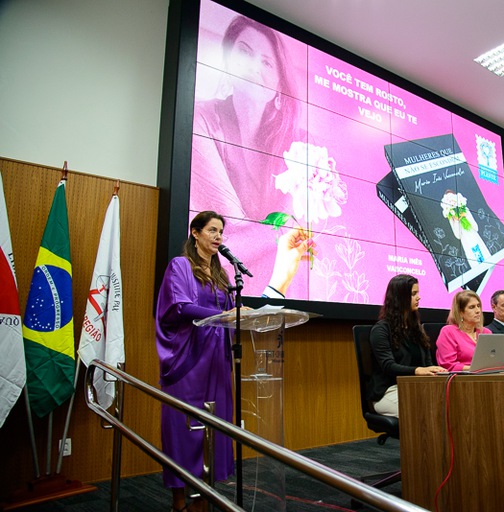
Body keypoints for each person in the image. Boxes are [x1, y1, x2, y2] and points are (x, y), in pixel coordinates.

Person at [191, 15, 324, 299]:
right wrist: (284, 235)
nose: (254, 67)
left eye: (267, 62)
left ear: (279, 81)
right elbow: (226, 237)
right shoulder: (202, 119)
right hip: (220, 288)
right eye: (244, 52)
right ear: (228, 61)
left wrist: (288, 237)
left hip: (284, 291)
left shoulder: (300, 142)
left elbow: (304, 234)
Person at [156, 211, 235, 512]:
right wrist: (221, 316)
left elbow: (231, 308)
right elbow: (181, 306)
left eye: (220, 232)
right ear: (196, 232)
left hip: (216, 361)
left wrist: (247, 312)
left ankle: (203, 501)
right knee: (184, 430)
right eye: (212, 230)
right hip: (189, 360)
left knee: (212, 432)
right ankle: (179, 501)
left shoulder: (221, 273)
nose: (218, 237)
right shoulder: (181, 266)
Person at [368, 275, 445, 417]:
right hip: (388, 391)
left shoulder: (416, 328)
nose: (419, 297)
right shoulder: (381, 330)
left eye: (418, 293)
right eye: (413, 294)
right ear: (400, 298)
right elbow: (388, 366)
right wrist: (417, 370)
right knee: (426, 412)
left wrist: (435, 371)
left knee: (448, 405)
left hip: (416, 387)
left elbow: (427, 362)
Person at [436, 290, 491, 372]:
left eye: (478, 306)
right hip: (462, 380)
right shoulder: (448, 332)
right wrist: (476, 369)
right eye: (472, 307)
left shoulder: (486, 332)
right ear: (460, 312)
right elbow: (448, 365)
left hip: (490, 376)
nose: (478, 311)